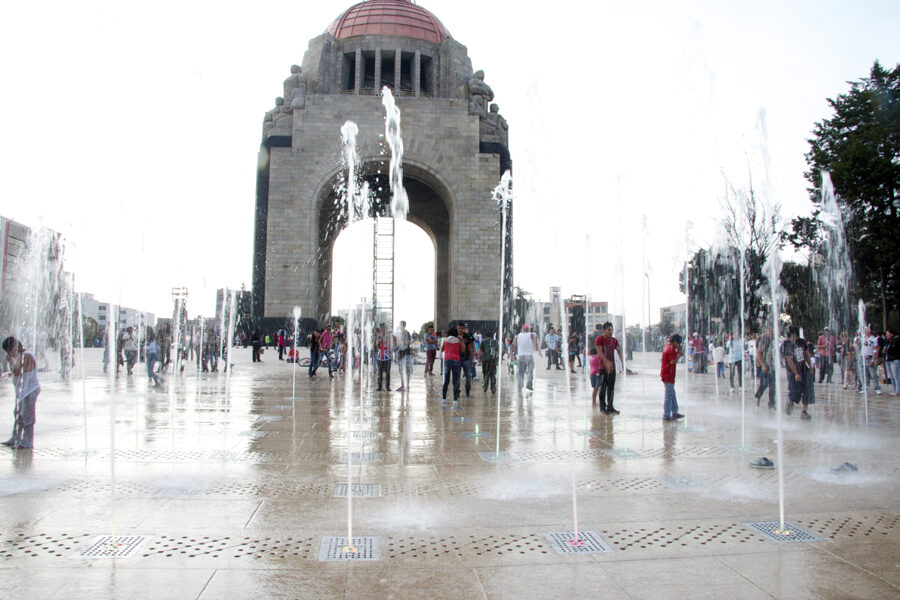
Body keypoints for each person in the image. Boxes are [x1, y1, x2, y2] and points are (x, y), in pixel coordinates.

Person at [2, 336, 40, 449]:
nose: (9, 354)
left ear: (14, 348)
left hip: (30, 391)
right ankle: (16, 438)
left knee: (28, 417)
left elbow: (19, 372)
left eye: (9, 351)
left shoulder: (27, 355)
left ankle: (27, 441)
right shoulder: (20, 356)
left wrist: (12, 362)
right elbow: (16, 372)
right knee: (18, 415)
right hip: (22, 392)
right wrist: (10, 369)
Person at [782, 327, 812, 420]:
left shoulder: (802, 342)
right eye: (792, 336)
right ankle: (790, 401)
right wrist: (796, 373)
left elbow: (806, 354)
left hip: (804, 369)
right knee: (795, 391)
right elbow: (789, 359)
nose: (794, 338)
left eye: (795, 336)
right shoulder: (786, 344)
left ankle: (804, 411)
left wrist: (811, 367)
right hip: (792, 371)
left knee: (807, 390)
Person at [595, 321, 623, 415]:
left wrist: (623, 362)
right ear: (604, 330)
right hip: (603, 367)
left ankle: (610, 406)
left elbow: (619, 351)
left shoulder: (614, 340)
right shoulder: (599, 339)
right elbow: (600, 353)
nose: (610, 332)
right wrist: (606, 362)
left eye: (612, 330)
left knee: (611, 387)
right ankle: (602, 407)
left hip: (612, 368)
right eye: (609, 330)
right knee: (603, 387)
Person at [510, 324, 541, 393]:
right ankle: (529, 385)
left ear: (522, 329)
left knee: (520, 372)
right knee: (530, 372)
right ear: (528, 329)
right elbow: (535, 344)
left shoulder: (518, 336)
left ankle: (520, 386)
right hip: (529, 356)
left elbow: (512, 346)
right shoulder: (531, 335)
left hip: (520, 356)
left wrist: (511, 355)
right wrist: (538, 350)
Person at [661, 334, 685, 421]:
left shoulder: (668, 347)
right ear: (674, 341)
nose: (678, 345)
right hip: (668, 375)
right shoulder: (671, 349)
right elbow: (672, 361)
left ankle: (674, 412)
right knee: (668, 395)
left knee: (672, 394)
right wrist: (680, 355)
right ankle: (666, 415)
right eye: (678, 343)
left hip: (667, 374)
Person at [754, 326, 776, 409]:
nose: (772, 332)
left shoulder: (775, 340)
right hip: (766, 366)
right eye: (770, 330)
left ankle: (772, 403)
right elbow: (759, 353)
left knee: (773, 386)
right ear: (767, 331)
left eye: (773, 330)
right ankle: (758, 396)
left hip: (773, 366)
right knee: (764, 384)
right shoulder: (764, 339)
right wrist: (762, 365)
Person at [440, 326, 462, 406]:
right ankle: (455, 400)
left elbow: (442, 350)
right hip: (456, 361)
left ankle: (444, 398)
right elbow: (463, 349)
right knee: (455, 381)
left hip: (447, 361)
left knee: (446, 380)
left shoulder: (445, 340)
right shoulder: (458, 340)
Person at [860, 328, 882, 395]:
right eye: (864, 331)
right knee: (865, 374)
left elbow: (875, 349)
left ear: (869, 331)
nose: (865, 332)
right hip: (863, 357)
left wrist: (873, 359)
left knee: (873, 374)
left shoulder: (873, 339)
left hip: (870, 357)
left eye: (866, 331)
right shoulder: (862, 338)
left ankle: (877, 388)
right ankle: (865, 387)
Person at [395, 321, 412, 391]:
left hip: (406, 354)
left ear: (405, 325)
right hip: (400, 355)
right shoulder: (398, 334)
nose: (400, 326)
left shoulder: (407, 333)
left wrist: (403, 341)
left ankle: (407, 386)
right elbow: (397, 344)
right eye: (400, 325)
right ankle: (402, 385)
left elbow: (408, 343)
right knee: (401, 371)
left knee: (407, 371)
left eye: (402, 325)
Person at [375, 325, 393, 392]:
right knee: (380, 372)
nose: (381, 330)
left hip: (387, 356)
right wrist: (381, 339)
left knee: (388, 372)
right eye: (380, 329)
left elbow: (390, 346)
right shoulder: (379, 336)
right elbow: (377, 345)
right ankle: (379, 386)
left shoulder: (389, 336)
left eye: (382, 329)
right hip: (380, 356)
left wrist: (385, 340)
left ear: (385, 329)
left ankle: (387, 386)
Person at [459, 324, 476, 397]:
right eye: (462, 328)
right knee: (456, 376)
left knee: (468, 375)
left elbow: (471, 345)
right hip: (458, 358)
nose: (463, 329)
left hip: (467, 358)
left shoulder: (468, 336)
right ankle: (457, 391)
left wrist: (472, 358)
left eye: (465, 328)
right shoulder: (456, 336)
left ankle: (467, 391)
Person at [884, 327, 899, 396]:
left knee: (896, 376)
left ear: (892, 334)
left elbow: (893, 348)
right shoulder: (888, 341)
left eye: (888, 333)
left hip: (895, 359)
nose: (886, 335)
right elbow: (886, 348)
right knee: (892, 376)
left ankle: (898, 391)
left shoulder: (896, 340)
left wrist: (888, 348)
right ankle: (895, 390)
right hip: (889, 360)